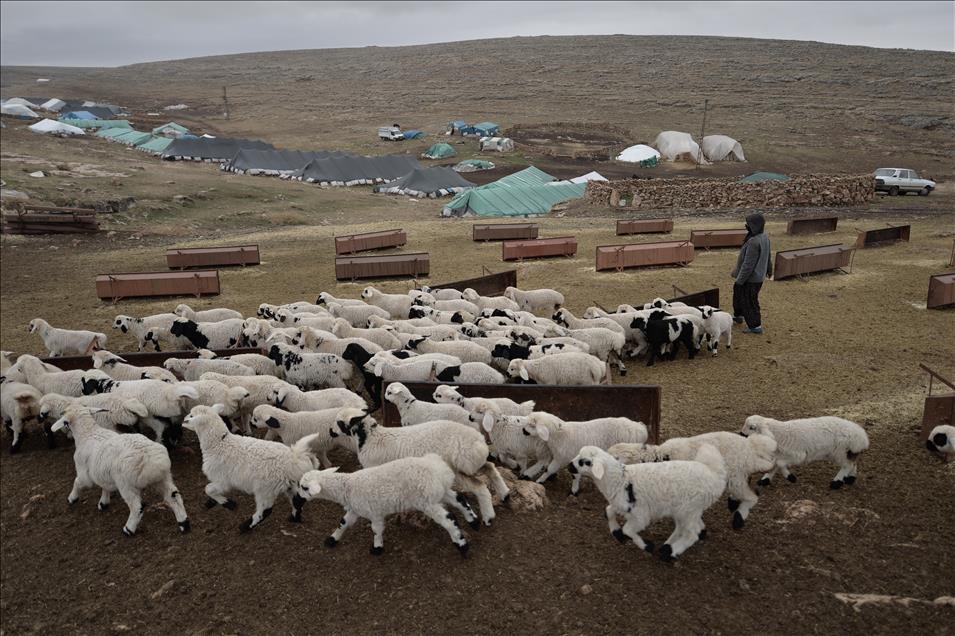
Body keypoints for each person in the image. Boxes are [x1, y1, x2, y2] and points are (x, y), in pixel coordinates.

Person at [731, 212, 772, 334]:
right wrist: (769, 270)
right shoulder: (764, 237)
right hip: (756, 277)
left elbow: (748, 265)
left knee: (749, 300)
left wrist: (740, 280)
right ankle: (738, 315)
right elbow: (768, 256)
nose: (746, 226)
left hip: (751, 279)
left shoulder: (754, 242)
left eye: (748, 224)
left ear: (755, 226)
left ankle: (755, 326)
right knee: (738, 294)